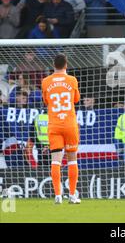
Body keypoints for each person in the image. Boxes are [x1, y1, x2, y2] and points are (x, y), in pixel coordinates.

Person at [41, 53, 81, 204]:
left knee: (55, 161)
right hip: (69, 125)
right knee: (72, 160)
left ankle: (58, 195)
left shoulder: (45, 81)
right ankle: (72, 195)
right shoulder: (72, 80)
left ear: (53, 65)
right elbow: (76, 99)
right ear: (66, 65)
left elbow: (46, 101)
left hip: (54, 125)